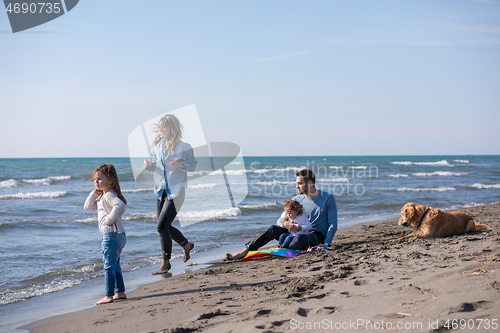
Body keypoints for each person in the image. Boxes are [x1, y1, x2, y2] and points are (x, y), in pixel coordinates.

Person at [227, 168, 337, 260]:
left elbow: (333, 224)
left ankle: (285, 249)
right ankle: (245, 251)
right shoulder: (297, 200)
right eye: (296, 183)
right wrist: (286, 224)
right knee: (273, 229)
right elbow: (280, 219)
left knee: (299, 239)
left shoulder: (327, 198)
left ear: (309, 183)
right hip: (294, 233)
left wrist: (326, 244)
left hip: (315, 236)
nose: (296, 186)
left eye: (299, 183)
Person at [144, 114, 197, 275]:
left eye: (163, 127)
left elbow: (193, 165)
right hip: (161, 191)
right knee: (164, 226)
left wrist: (180, 164)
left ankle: (165, 263)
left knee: (161, 226)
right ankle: (186, 245)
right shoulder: (156, 147)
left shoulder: (184, 147)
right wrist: (149, 166)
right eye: (159, 128)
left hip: (177, 192)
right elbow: (155, 167)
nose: (160, 130)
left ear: (171, 129)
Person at [84, 163, 128, 305]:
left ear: (110, 181)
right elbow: (88, 207)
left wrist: (109, 220)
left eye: (99, 179)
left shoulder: (109, 195)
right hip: (118, 236)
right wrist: (94, 193)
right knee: (115, 265)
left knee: (109, 266)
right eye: (95, 180)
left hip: (111, 235)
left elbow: (120, 206)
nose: (96, 182)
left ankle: (109, 295)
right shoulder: (104, 196)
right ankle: (120, 292)